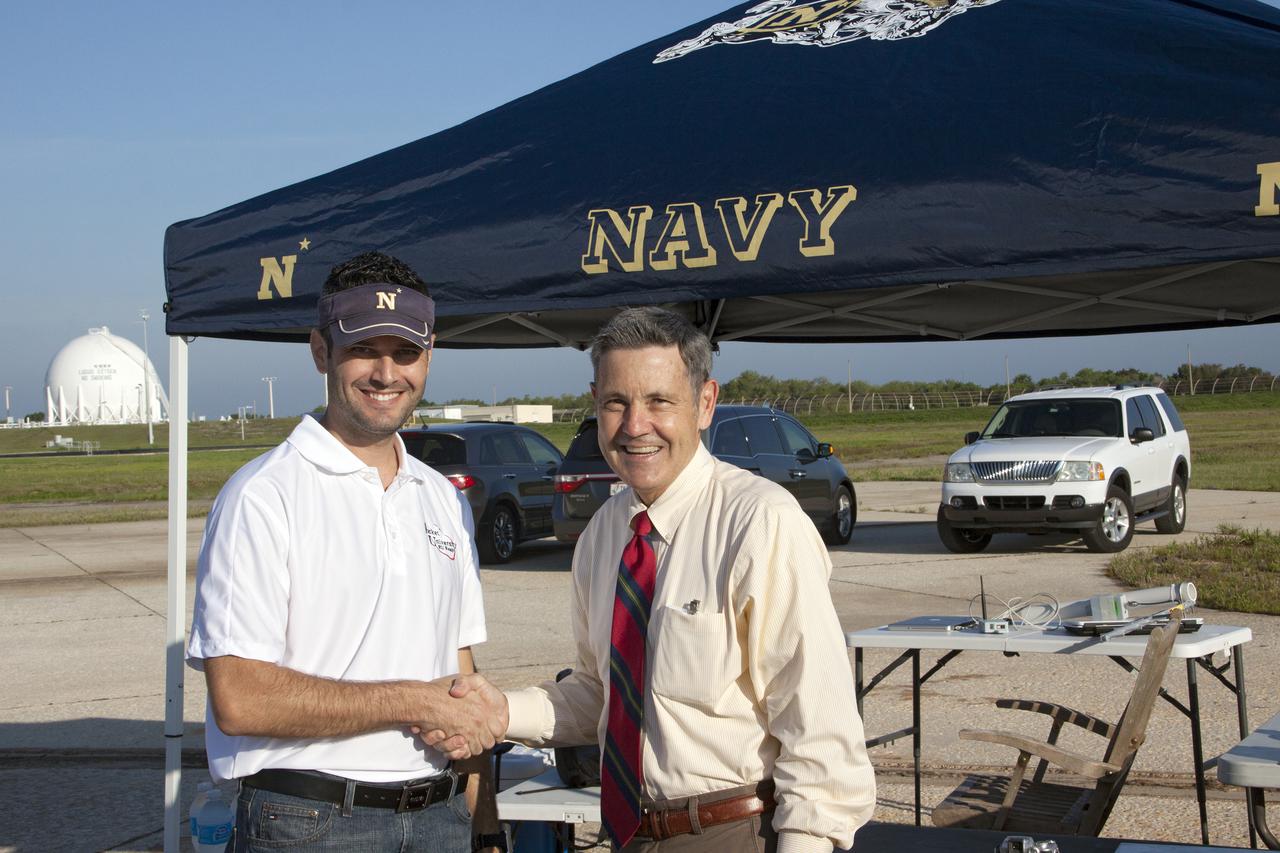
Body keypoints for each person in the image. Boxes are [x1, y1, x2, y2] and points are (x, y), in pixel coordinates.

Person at [444, 307, 876, 852]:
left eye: (659, 401)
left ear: (705, 403)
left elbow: (819, 728)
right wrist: (503, 711)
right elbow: (603, 694)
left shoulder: (759, 522)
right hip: (628, 833)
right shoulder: (604, 535)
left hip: (731, 831)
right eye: (615, 403)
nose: (634, 426)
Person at [186, 251, 507, 852]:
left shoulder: (441, 497)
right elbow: (239, 697)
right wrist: (409, 699)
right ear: (319, 351)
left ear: (429, 357)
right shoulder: (265, 494)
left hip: (439, 816)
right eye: (365, 349)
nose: (387, 373)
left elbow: (458, 674)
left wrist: (479, 816)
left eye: (406, 352)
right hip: (310, 820)